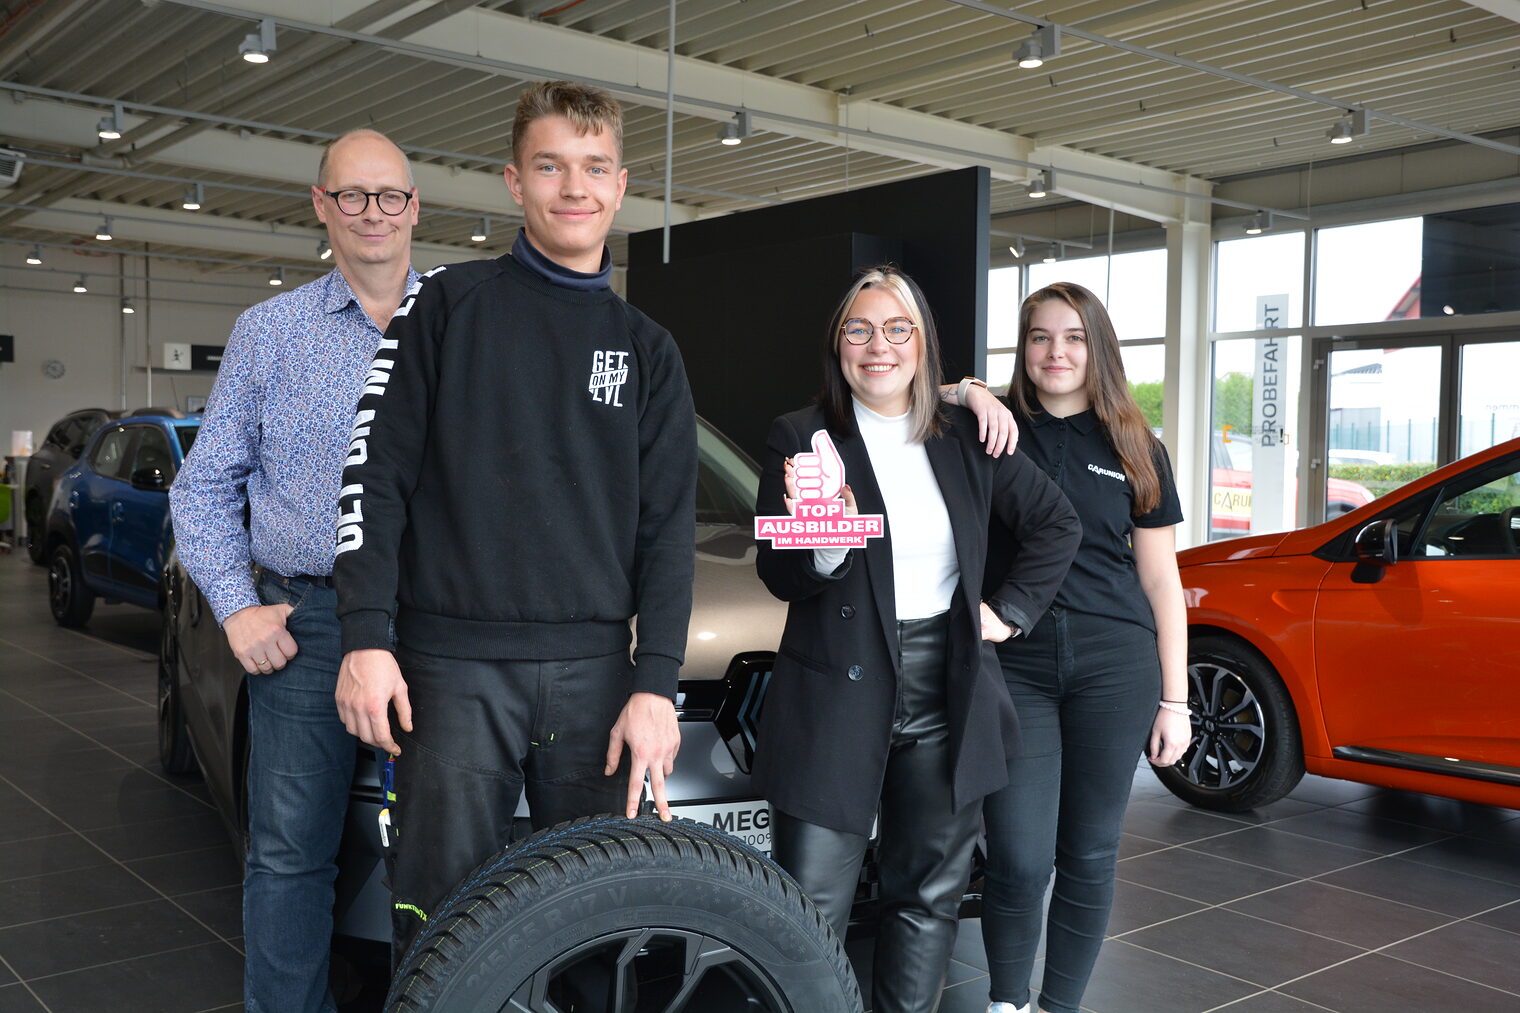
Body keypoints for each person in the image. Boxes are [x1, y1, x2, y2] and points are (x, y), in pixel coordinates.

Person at [329, 80, 698, 962]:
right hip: (450, 672)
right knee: (439, 913)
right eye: (550, 166)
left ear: (619, 186)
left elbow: (668, 529)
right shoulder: (446, 306)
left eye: (594, 167)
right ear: (514, 181)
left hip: (597, 679)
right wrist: (365, 635)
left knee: (591, 914)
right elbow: (374, 477)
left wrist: (657, 683)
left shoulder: (647, 349)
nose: (574, 186)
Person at [753, 266, 1081, 1013]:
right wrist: (829, 541)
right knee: (809, 907)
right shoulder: (799, 436)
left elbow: (1057, 523)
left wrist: (1008, 612)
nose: (878, 346)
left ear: (922, 342)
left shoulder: (967, 432)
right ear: (838, 344)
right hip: (837, 684)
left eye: (897, 328)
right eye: (859, 329)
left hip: (947, 687)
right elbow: (781, 571)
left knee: (926, 895)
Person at [168, 129, 420, 1013]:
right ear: (321, 206)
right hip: (307, 624)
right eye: (351, 195)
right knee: (288, 857)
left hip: (433, 630)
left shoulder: (463, 322)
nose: (372, 213)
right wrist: (237, 608)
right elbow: (201, 492)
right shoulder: (269, 333)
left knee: (450, 857)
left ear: (414, 207)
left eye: (388, 195)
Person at [981, 282, 1191, 1013]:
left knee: (1091, 852)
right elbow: (912, 387)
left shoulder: (1138, 446)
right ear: (1023, 348)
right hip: (1017, 662)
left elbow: (1162, 581)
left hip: (1117, 665)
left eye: (1073, 337)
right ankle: (1007, 1000)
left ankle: (1057, 1005)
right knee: (1016, 854)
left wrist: (1176, 700)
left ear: (1097, 347)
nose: (1056, 352)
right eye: (1040, 336)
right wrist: (973, 388)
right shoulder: (992, 427)